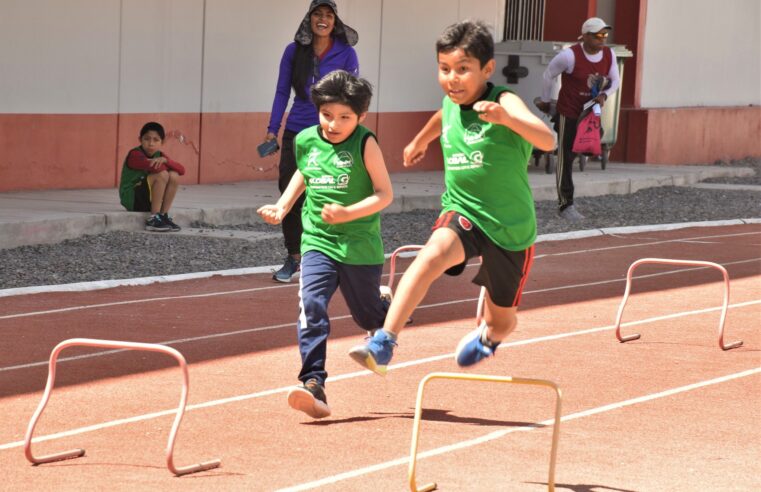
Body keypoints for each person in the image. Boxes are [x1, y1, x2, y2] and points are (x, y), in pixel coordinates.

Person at [348, 20, 555, 375]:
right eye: (444, 69)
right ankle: (384, 341)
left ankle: (489, 338)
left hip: (510, 228)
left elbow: (548, 140)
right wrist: (420, 141)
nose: (452, 79)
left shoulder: (503, 100)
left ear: (487, 69)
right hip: (463, 211)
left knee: (501, 320)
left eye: (463, 70)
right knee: (431, 255)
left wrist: (507, 119)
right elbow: (442, 116)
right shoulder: (450, 103)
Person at [257, 70, 393, 418]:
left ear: (361, 116)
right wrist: (283, 206)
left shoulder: (365, 143)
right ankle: (313, 383)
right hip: (317, 239)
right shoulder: (305, 140)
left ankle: (383, 306)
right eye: (327, 115)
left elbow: (384, 194)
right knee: (312, 306)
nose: (334, 124)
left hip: (359, 244)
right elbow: (304, 171)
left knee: (367, 315)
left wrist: (348, 213)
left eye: (345, 117)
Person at [263, 0, 360, 283]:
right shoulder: (293, 51)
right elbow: (282, 91)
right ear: (309, 19)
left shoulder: (346, 53)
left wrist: (349, 131)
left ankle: (326, 257)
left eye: (329, 15)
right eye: (318, 14)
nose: (323, 19)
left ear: (335, 21)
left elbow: (352, 95)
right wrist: (273, 128)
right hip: (297, 131)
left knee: (327, 192)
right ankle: (294, 256)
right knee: (288, 192)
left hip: (331, 132)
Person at [536, 17, 620, 221]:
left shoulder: (609, 55)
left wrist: (604, 95)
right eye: (598, 35)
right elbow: (549, 75)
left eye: (605, 35)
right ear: (586, 36)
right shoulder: (569, 56)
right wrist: (547, 102)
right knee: (565, 156)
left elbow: (615, 80)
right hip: (570, 111)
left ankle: (572, 163)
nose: (602, 39)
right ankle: (566, 205)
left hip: (592, 111)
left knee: (588, 144)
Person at [118, 122, 185, 232]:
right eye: (147, 139)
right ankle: (153, 219)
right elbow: (156, 168)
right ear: (140, 139)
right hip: (132, 198)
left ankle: (163, 216)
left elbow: (182, 170)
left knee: (174, 175)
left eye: (156, 140)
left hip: (147, 199)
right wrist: (167, 163)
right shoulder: (135, 154)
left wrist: (166, 160)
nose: (151, 143)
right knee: (162, 174)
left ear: (162, 142)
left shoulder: (160, 155)